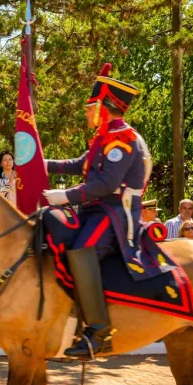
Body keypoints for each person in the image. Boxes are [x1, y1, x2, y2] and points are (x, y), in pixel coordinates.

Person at [43, 62, 148, 358]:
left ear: (104, 106)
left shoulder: (124, 139)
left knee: (82, 250)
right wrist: (41, 163)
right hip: (96, 208)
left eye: (91, 107)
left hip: (115, 213)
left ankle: (99, 331)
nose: (87, 112)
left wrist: (64, 195)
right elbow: (79, 165)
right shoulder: (105, 137)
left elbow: (107, 183)